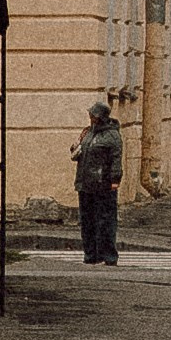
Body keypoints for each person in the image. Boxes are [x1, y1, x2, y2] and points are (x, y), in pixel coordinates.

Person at [72, 100, 123, 264]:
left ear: (100, 117)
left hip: (103, 184)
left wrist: (115, 180)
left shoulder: (112, 135)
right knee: (87, 221)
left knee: (105, 221)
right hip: (85, 183)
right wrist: (75, 150)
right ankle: (90, 255)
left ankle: (108, 255)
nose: (90, 118)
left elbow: (116, 159)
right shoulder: (87, 132)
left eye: (92, 115)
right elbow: (81, 152)